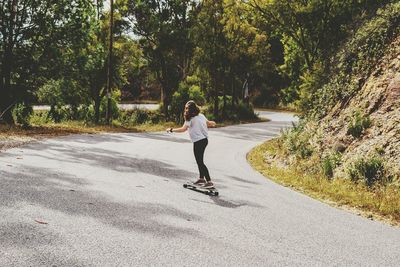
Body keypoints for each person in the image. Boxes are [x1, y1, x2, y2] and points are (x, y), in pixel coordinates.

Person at [167, 100, 216, 188]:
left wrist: (171, 130)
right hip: (204, 140)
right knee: (199, 161)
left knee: (200, 162)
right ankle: (201, 178)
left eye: (186, 108)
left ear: (189, 109)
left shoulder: (189, 118)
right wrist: (213, 123)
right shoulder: (201, 116)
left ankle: (209, 181)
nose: (185, 110)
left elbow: (183, 129)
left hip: (198, 142)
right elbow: (209, 123)